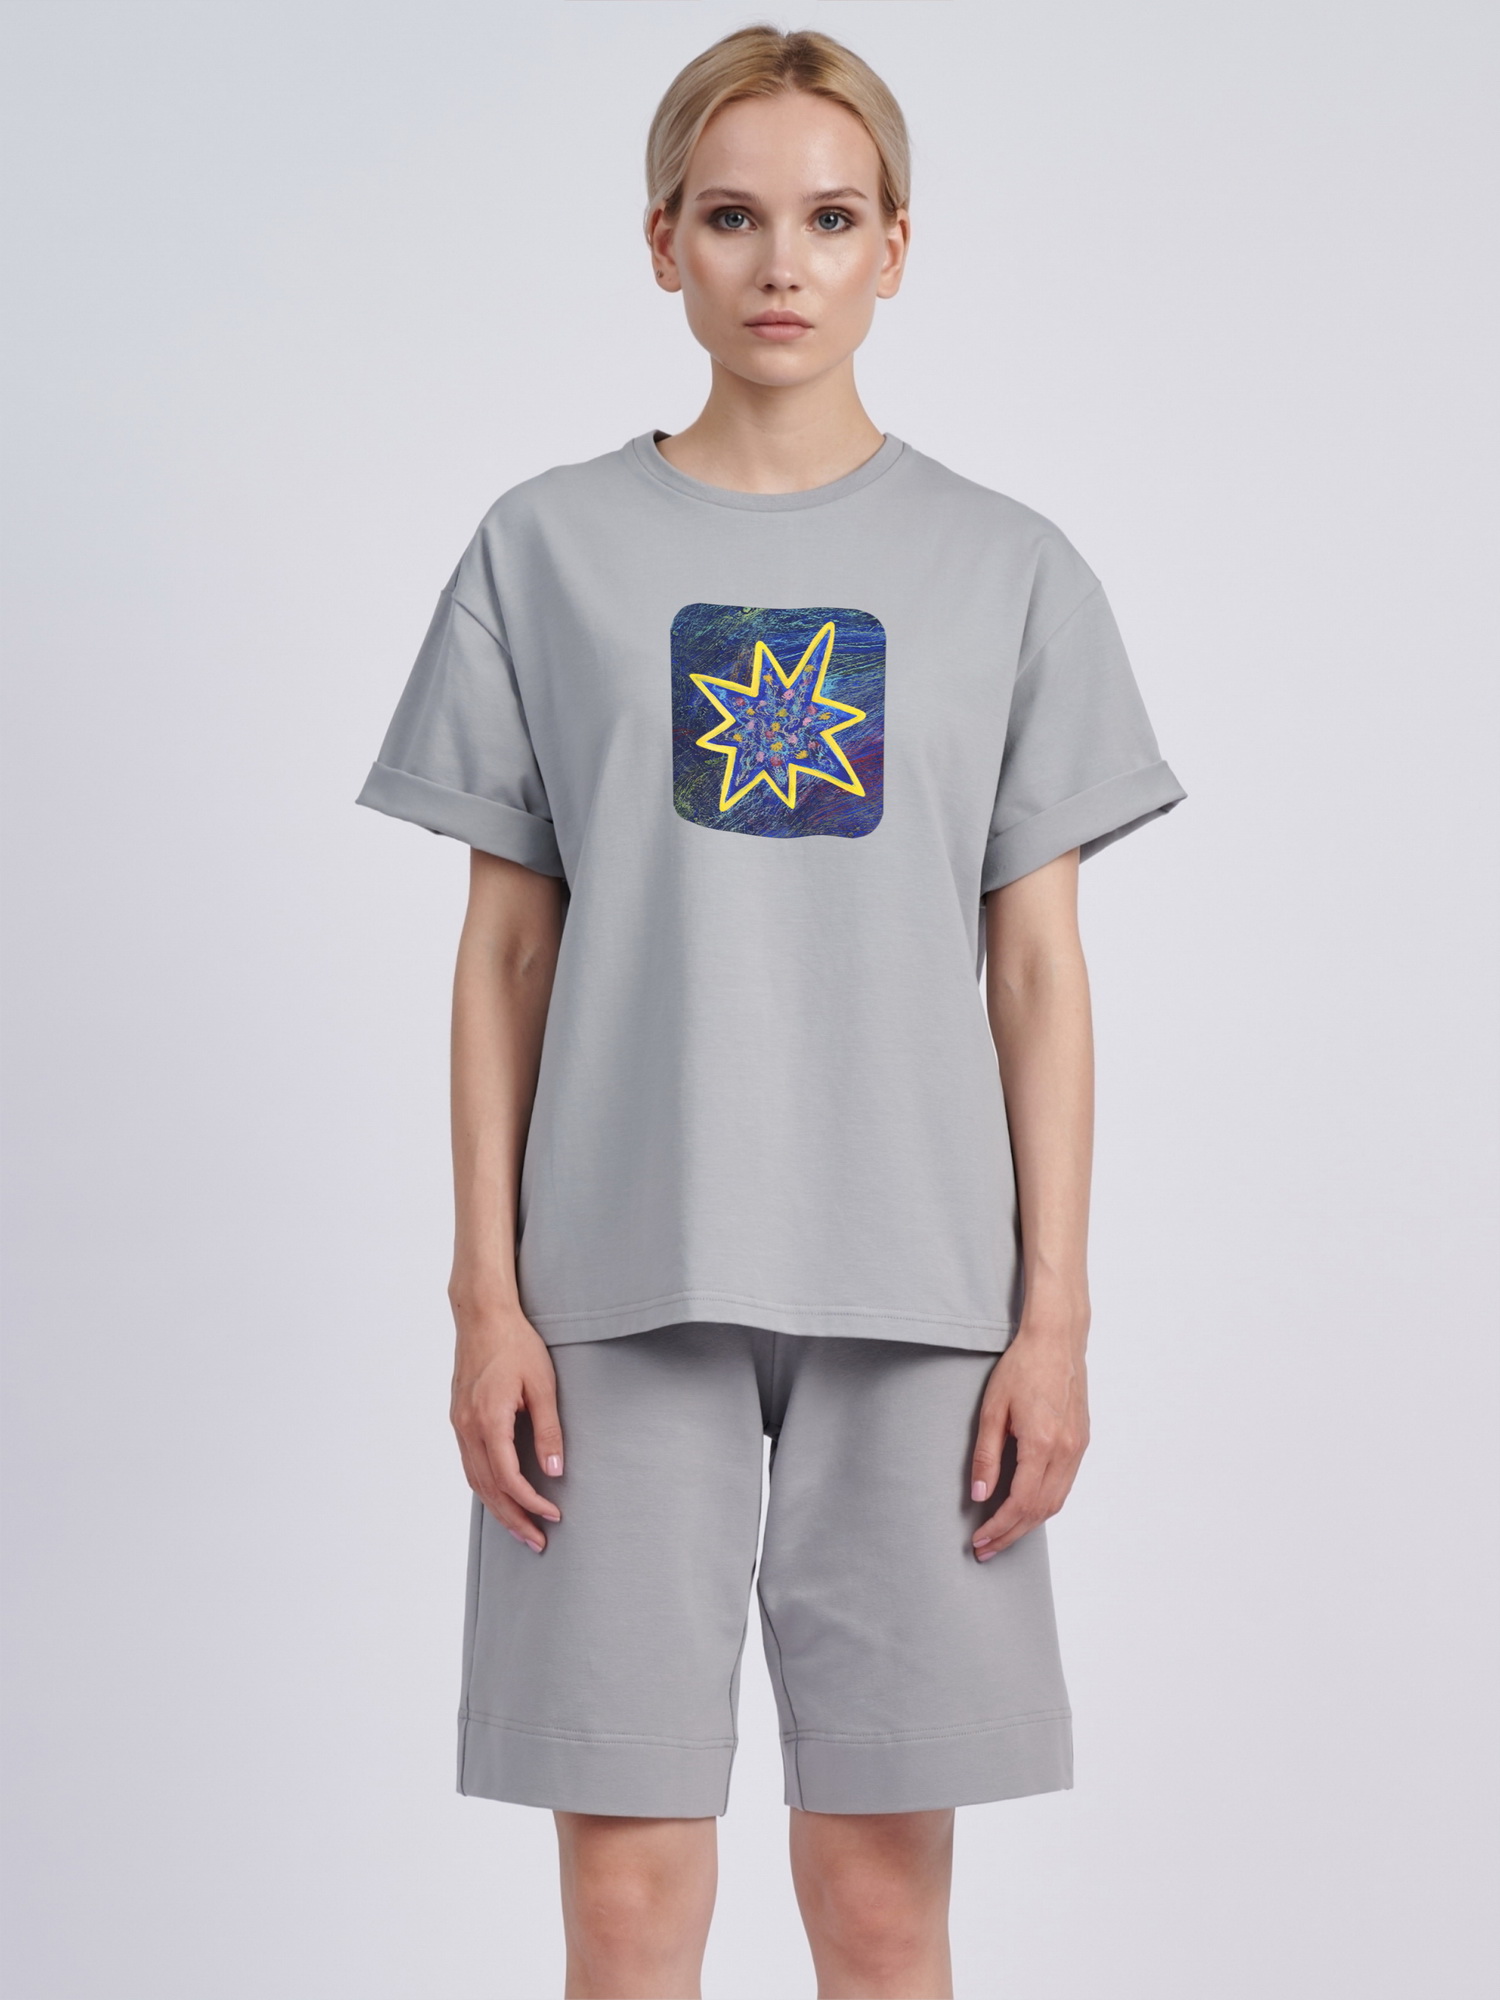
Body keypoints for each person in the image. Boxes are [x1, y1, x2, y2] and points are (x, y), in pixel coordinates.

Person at [355, 23, 1186, 2000]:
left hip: (921, 1303)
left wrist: (1054, 1317)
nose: (781, 264)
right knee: (629, 1907)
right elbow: (504, 952)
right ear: (663, 244)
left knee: (885, 1908)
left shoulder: (1010, 570)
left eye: (829, 218)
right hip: (615, 1290)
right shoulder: (545, 550)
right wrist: (486, 1298)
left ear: (898, 246)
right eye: (732, 218)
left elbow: (1041, 969)